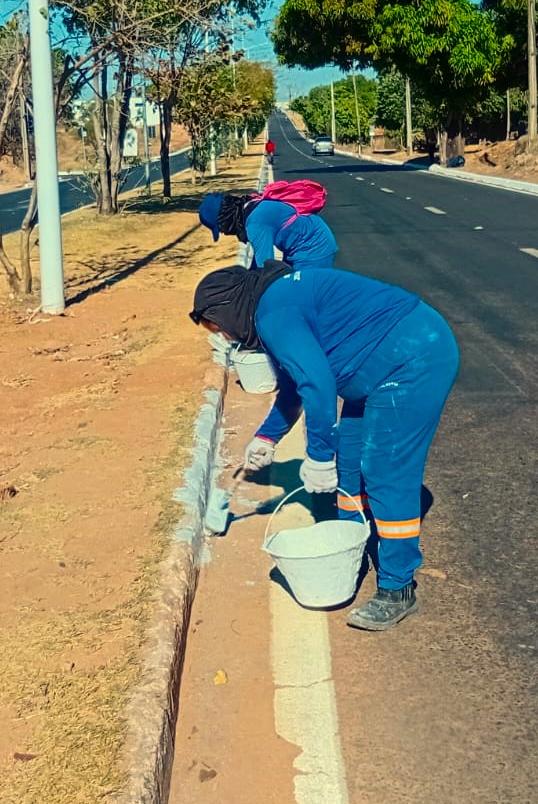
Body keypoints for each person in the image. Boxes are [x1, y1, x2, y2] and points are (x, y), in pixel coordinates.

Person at [190, 262, 459, 631]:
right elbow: (293, 386)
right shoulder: (268, 308)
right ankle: (353, 546)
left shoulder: (274, 314)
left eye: (220, 330)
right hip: (371, 367)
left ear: (226, 310)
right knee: (348, 465)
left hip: (413, 357)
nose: (227, 339)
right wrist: (267, 437)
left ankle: (398, 587)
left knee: (385, 472)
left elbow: (317, 386)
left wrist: (317, 456)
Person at [198, 190, 337, 270]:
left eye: (221, 228)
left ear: (225, 217)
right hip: (299, 248)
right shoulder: (249, 208)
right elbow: (258, 261)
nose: (224, 232)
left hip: (314, 248)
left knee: (304, 300)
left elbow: (266, 268)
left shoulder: (255, 223)